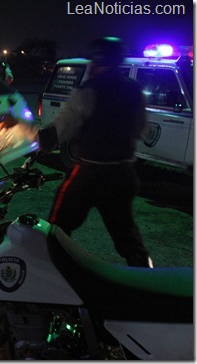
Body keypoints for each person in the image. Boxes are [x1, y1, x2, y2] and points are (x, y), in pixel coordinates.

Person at [34, 37, 153, 268]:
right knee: (127, 237)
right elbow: (140, 130)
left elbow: (62, 129)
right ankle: (146, 282)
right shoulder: (135, 90)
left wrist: (30, 138)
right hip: (124, 174)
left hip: (90, 173)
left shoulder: (88, 91)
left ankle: (52, 276)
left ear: (97, 60)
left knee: (58, 228)